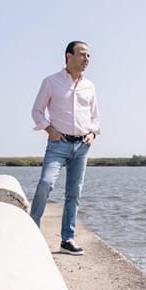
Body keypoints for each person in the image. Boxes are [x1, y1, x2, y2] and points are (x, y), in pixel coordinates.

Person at [30, 41, 100, 255]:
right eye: (82, 54)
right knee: (46, 183)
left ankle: (67, 239)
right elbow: (37, 111)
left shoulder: (90, 86)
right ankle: (31, 231)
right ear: (68, 56)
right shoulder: (51, 82)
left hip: (82, 146)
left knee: (74, 194)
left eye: (88, 55)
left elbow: (95, 117)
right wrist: (49, 130)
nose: (86, 59)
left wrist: (92, 133)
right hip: (58, 144)